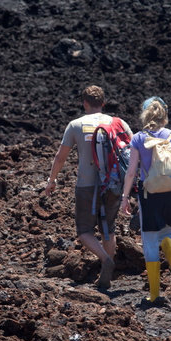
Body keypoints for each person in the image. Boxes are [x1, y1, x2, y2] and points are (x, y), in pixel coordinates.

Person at [44, 85, 133, 289]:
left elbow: (60, 157)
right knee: (108, 229)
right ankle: (106, 276)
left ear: (84, 103)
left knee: (84, 231)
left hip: (86, 184)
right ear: (103, 103)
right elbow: (133, 151)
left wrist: (52, 180)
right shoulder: (118, 123)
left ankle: (105, 260)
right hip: (113, 184)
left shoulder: (75, 125)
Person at [120, 96, 171, 303]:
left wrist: (125, 198)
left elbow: (131, 172)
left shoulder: (139, 139)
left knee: (150, 241)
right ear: (164, 115)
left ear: (144, 115)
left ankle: (154, 294)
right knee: (168, 233)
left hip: (149, 195)